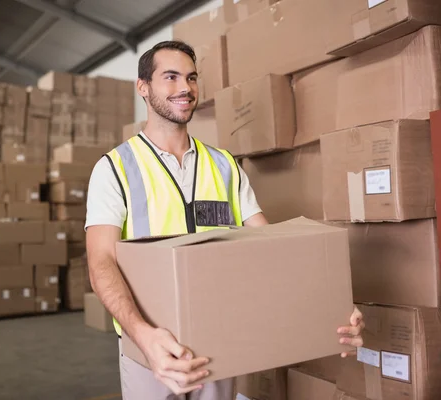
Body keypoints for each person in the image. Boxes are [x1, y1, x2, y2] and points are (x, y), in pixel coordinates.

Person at [85, 40, 365, 400]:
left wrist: (333, 304)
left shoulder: (224, 166)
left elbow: (273, 249)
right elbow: (100, 262)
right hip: (149, 349)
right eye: (170, 77)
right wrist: (144, 336)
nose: (185, 88)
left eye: (191, 77)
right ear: (143, 87)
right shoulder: (115, 169)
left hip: (220, 342)